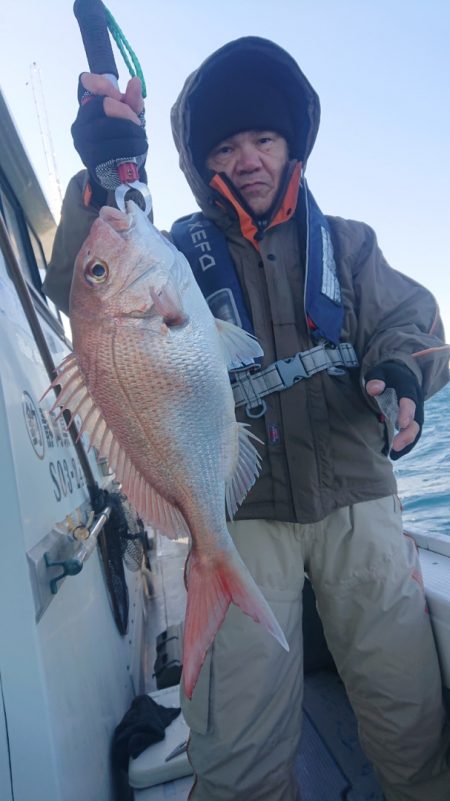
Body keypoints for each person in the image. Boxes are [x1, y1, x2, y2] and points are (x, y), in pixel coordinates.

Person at [43, 36, 450, 801]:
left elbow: (413, 320)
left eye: (264, 138)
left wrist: (400, 371)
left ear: (292, 143)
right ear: (202, 165)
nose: (249, 159)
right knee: (238, 742)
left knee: (408, 708)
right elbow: (84, 287)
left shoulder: (350, 244)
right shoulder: (173, 252)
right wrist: (104, 169)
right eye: (225, 146)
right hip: (236, 505)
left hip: (355, 496)